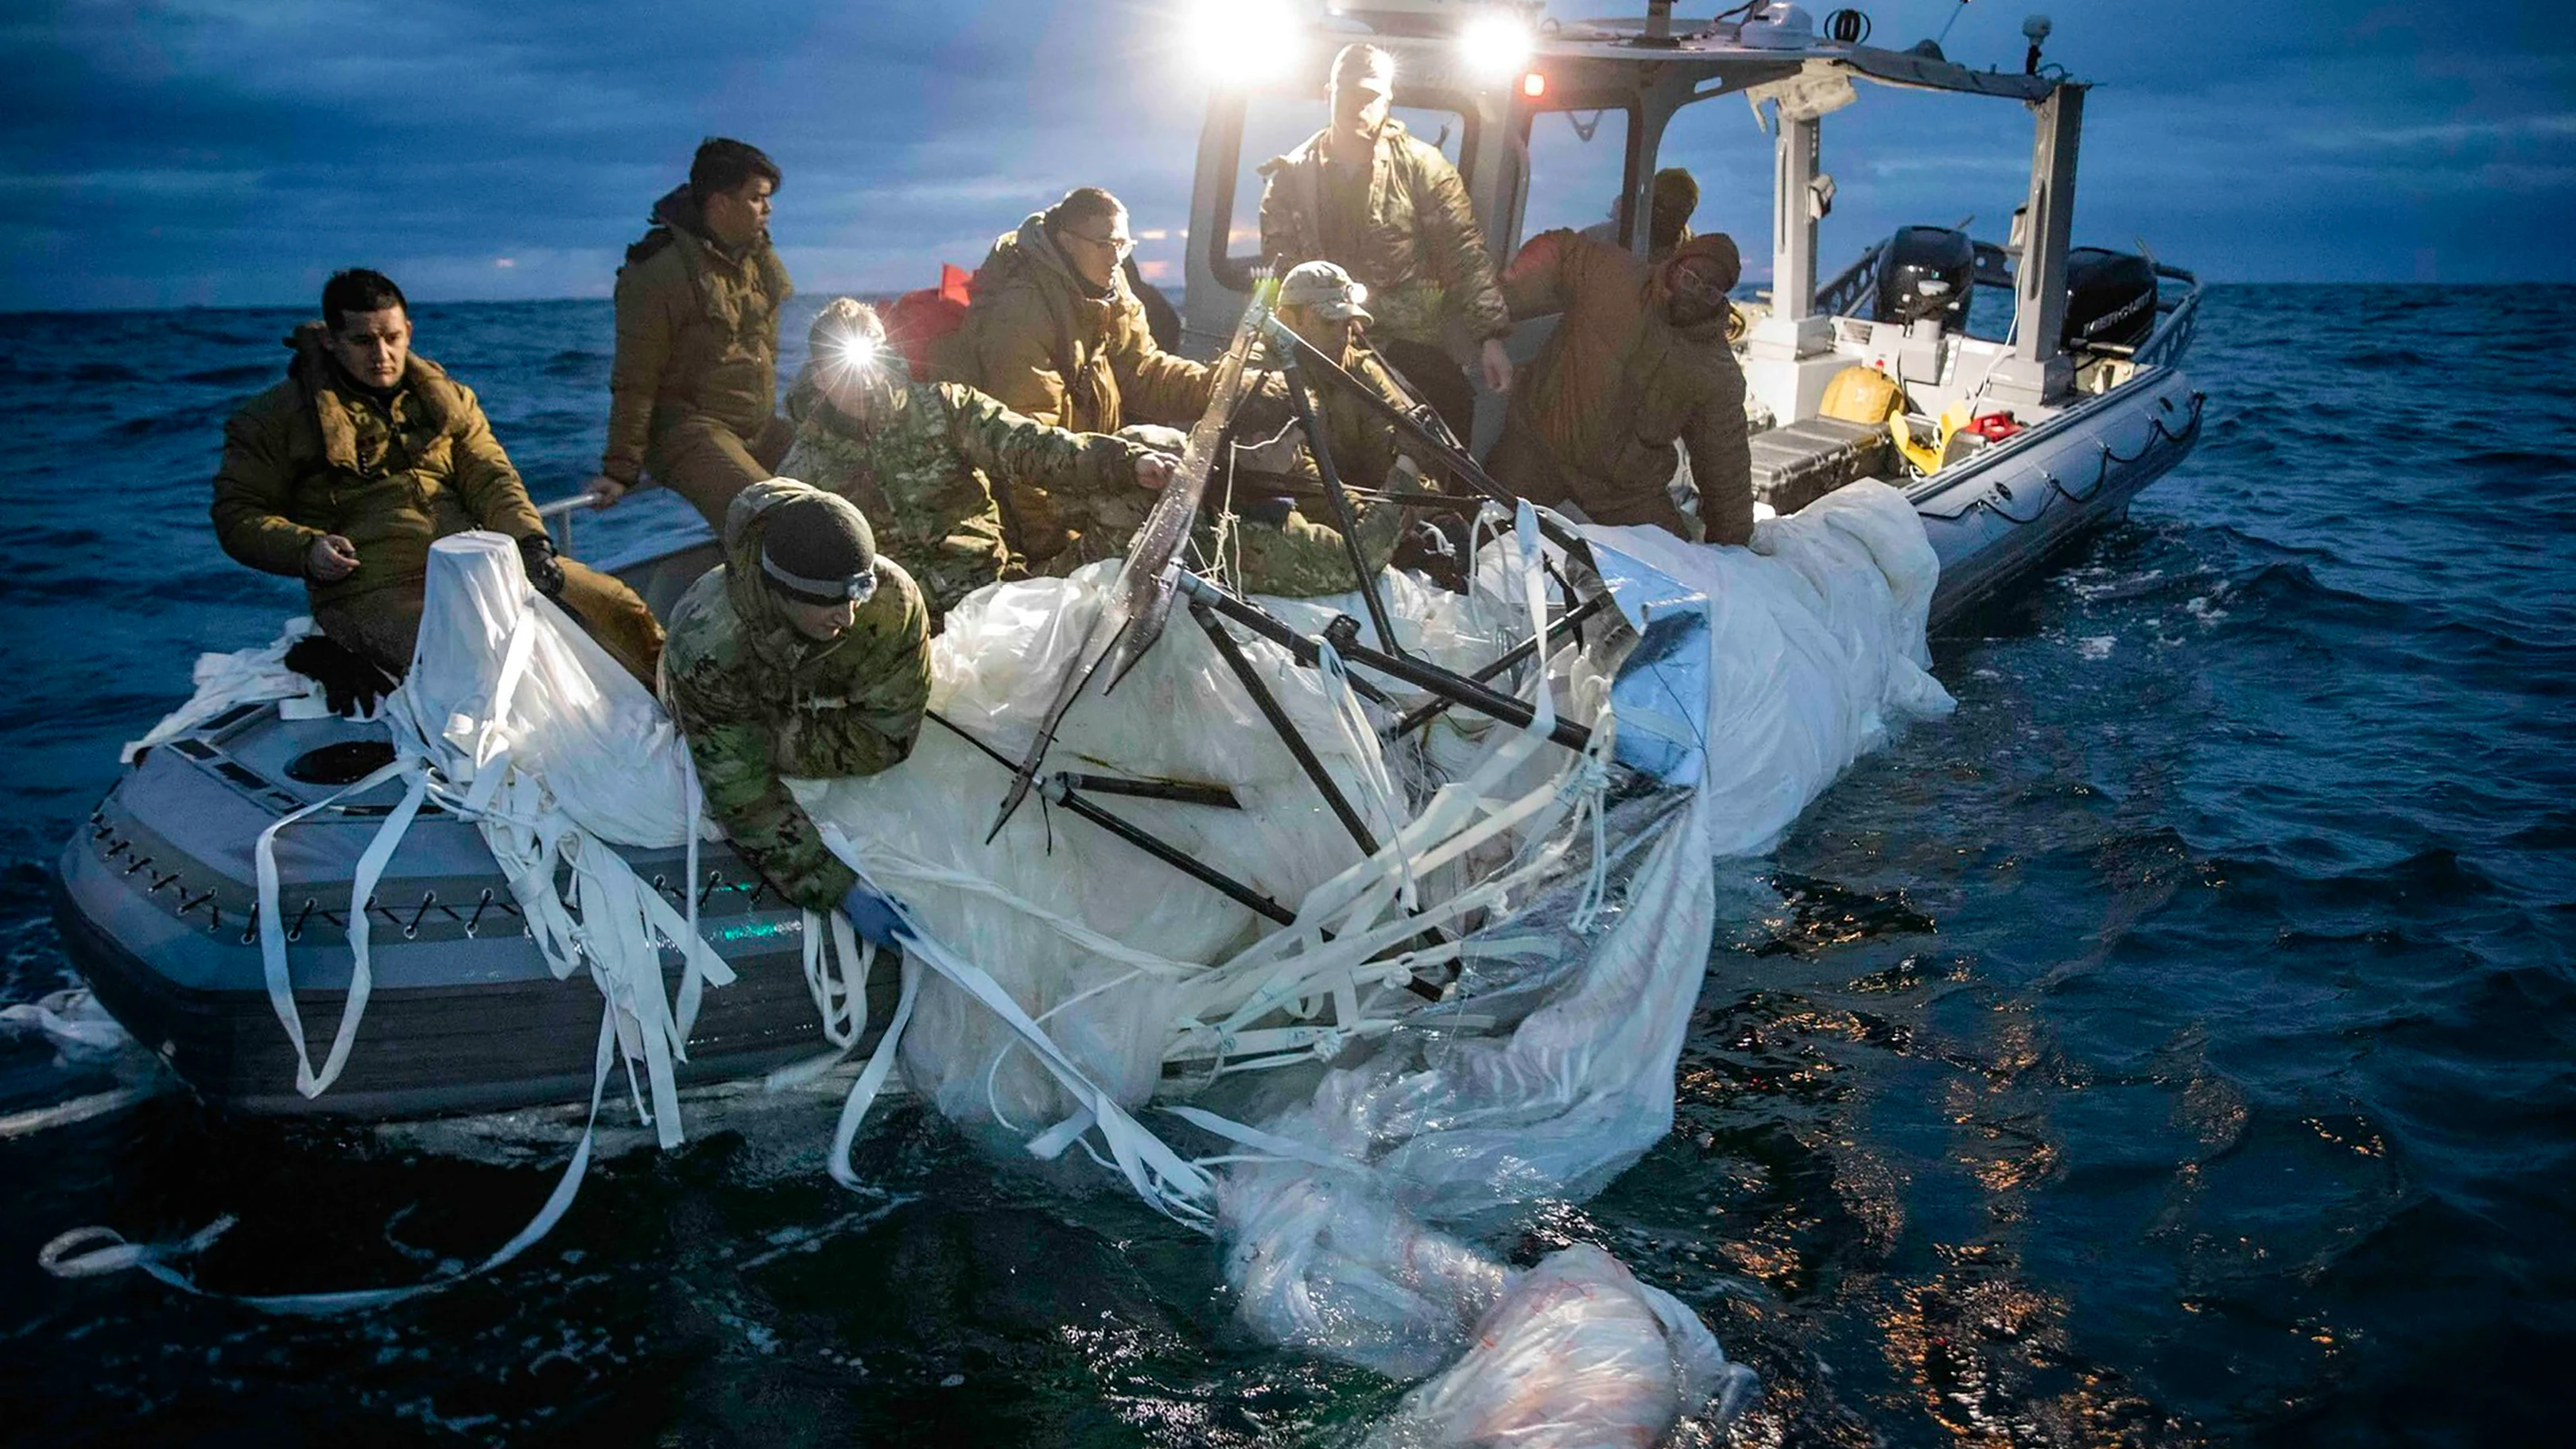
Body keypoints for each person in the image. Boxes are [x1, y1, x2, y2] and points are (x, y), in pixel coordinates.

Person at [211, 268, 664, 683]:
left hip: (480, 564)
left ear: (408, 331)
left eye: (391, 337)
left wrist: (531, 545)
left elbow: (492, 477)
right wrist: (308, 549)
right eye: (363, 341)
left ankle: (685, 716)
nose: (382, 355)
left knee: (618, 606)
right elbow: (237, 515)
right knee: (473, 657)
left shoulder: (449, 401)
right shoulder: (274, 419)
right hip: (369, 589)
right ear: (331, 340)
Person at [781, 299, 1177, 618]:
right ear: (818, 377)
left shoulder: (946, 407)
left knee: (1139, 492)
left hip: (997, 596)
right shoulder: (805, 471)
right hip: (901, 632)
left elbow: (1033, 447)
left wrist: (1125, 463)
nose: (865, 384)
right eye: (844, 370)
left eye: (871, 365)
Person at [660, 479, 929, 937]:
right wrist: (837, 889)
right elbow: (741, 790)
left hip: (785, 706)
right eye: (827, 604)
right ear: (781, 592)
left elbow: (889, 735)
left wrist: (781, 733)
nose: (847, 618)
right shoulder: (707, 640)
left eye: (854, 598)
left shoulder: (890, 601)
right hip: (721, 701)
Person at [1258, 42, 1512, 442]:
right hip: (1321, 343)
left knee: (1449, 411)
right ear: (1329, 94)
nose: (1358, 106)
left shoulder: (1423, 169)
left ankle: (1446, 505)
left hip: (1402, 341)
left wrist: (1490, 337)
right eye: (1348, 94)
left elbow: (1463, 252)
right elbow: (1280, 274)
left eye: (1370, 96)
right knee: (1275, 420)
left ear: (1388, 100)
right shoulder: (1291, 178)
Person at [1487, 229, 1754, 544]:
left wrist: (1733, 544)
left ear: (1722, 299)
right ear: (1675, 265)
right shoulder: (1614, 275)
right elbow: (1560, 248)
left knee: (1679, 570)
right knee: (1477, 526)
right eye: (1691, 278)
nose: (1695, 294)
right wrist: (1502, 300)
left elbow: (1725, 464)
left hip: (1623, 491)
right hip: (1541, 446)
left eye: (1710, 291)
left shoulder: (1716, 371)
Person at [585, 138, 794, 527]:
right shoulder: (658, 272)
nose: (769, 209)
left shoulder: (755, 260)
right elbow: (636, 377)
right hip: (689, 432)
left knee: (848, 480)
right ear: (719, 203)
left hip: (757, 427)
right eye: (757, 198)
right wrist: (620, 470)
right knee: (775, 519)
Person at [1215, 261, 1423, 598]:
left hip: (1366, 524)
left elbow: (1399, 446)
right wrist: (1377, 524)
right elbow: (1303, 480)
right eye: (1330, 323)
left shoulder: (1358, 370)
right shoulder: (1258, 379)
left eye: (1348, 324)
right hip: (1292, 532)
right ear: (1287, 319)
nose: (1345, 336)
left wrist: (1410, 511)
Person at [943, 187, 1214, 443]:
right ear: (1067, 242)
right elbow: (1027, 443)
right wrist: (1107, 471)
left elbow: (1140, 372)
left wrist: (1214, 387)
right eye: (1104, 245)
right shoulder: (1020, 314)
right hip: (1053, 476)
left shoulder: (1111, 289)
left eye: (1122, 245)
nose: (1115, 259)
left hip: (1086, 462)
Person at [1579, 166, 1700, 263]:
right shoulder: (1599, 241)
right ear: (1649, 201)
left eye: (1682, 210)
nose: (1672, 217)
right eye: (1666, 204)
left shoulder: (1694, 258)